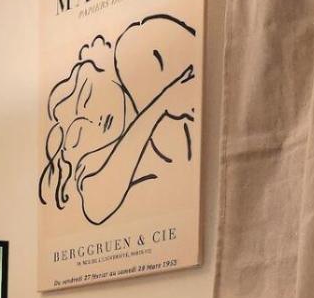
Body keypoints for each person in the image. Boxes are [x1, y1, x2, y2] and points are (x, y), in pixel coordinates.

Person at [39, 15, 197, 226]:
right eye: (79, 133)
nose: (94, 120)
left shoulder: (138, 51)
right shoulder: (95, 163)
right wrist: (160, 105)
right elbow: (96, 206)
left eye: (88, 98)